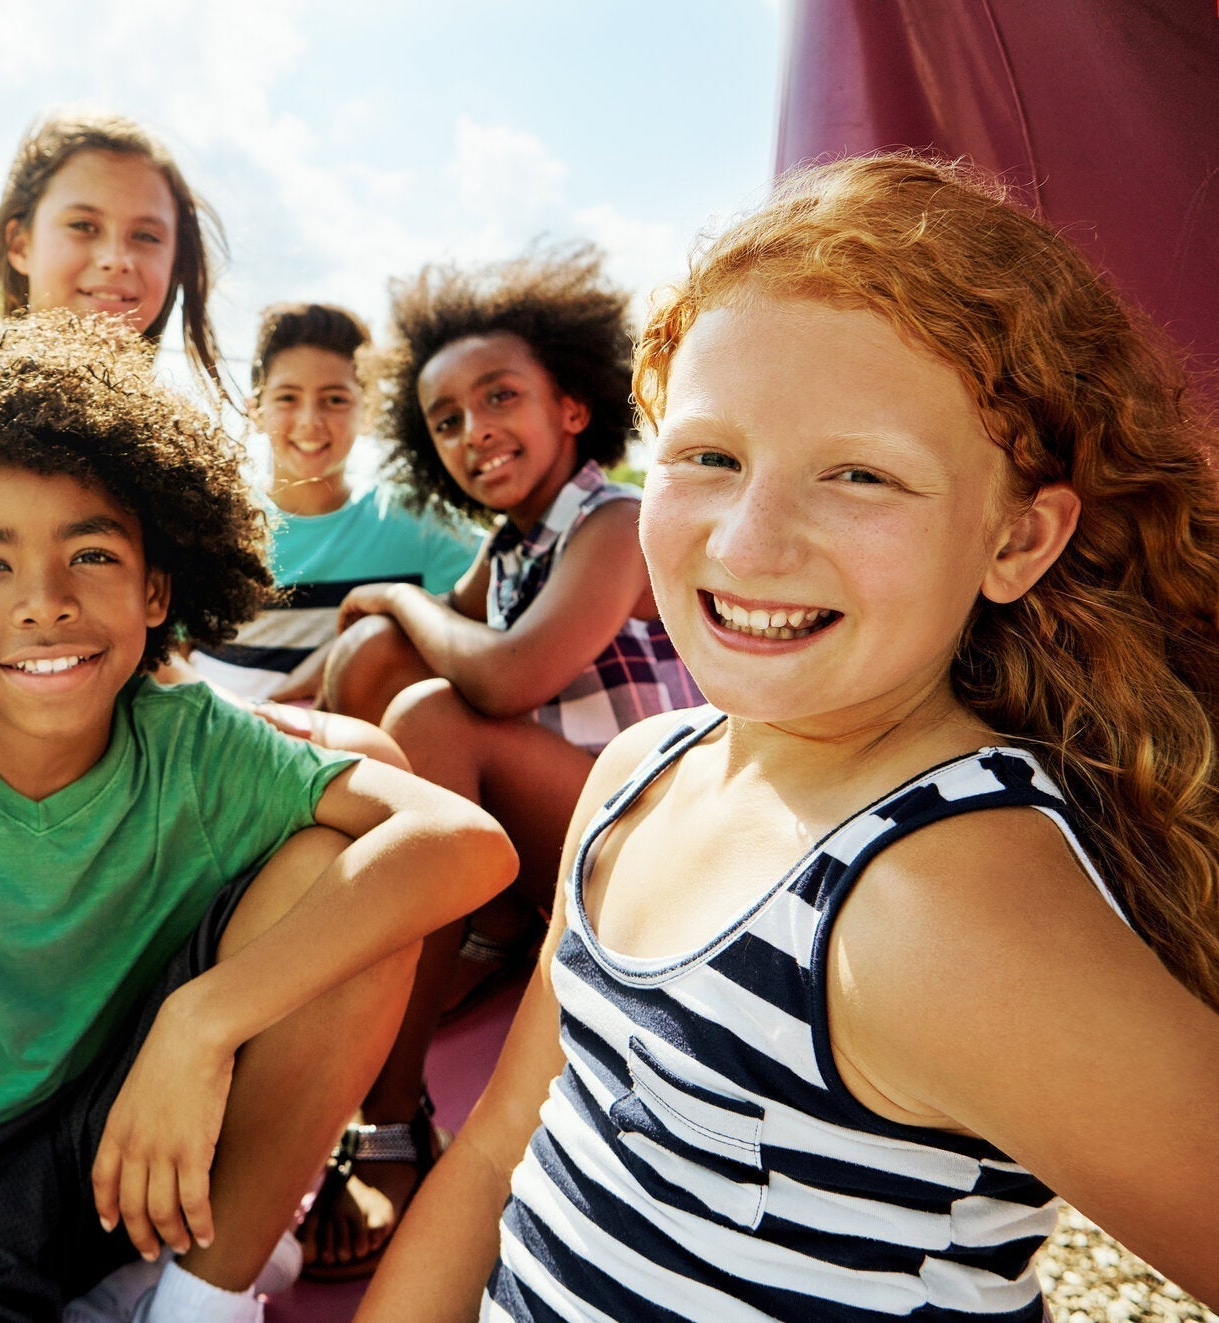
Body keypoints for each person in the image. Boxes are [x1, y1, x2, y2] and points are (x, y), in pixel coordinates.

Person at [359, 154, 1219, 1322]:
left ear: (1016, 541)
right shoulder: (633, 781)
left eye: (859, 474)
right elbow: (502, 1145)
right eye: (707, 457)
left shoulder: (935, 902)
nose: (749, 544)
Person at [0, 312, 515, 1323]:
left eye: (90, 554)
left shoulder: (193, 743)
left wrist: (199, 1024)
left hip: (149, 1151)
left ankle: (197, 1305)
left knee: (338, 866)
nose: (44, 600)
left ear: (155, 585)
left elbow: (465, 844)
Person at [302, 247, 699, 1277]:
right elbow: (374, 658)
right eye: (446, 420)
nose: (474, 432)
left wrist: (396, 593)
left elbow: (508, 680)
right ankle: (407, 928)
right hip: (557, 832)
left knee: (434, 703)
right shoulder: (516, 542)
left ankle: (394, 1122)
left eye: (499, 398)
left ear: (571, 406)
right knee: (373, 660)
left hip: (652, 842)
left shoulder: (612, 520)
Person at [0, 107, 229, 437]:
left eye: (146, 235)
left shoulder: (176, 439)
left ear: (176, 260)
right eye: (83, 225)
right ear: (20, 245)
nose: (117, 259)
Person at [189, 302, 478, 704]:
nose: (310, 421)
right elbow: (170, 655)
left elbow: (492, 603)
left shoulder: (418, 521)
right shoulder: (210, 524)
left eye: (335, 399)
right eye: (288, 398)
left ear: (369, 412)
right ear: (256, 409)